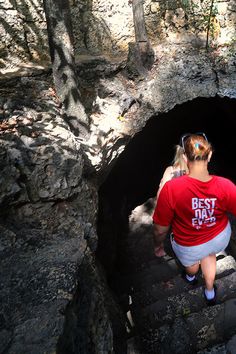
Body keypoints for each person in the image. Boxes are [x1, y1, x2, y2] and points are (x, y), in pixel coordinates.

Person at [152, 133, 236, 305]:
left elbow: (160, 228)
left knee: (192, 263)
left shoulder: (172, 189)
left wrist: (158, 245)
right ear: (210, 154)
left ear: (184, 156)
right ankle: (210, 290)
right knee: (209, 255)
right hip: (219, 237)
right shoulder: (226, 185)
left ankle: (190, 277)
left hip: (189, 244)